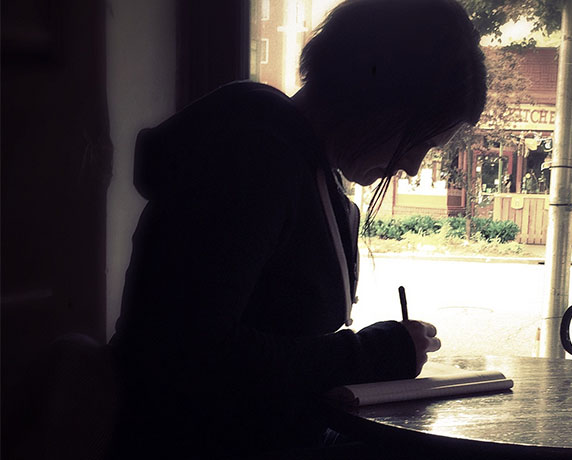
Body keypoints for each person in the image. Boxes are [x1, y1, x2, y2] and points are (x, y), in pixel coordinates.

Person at [107, 0, 486, 458]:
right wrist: (371, 356)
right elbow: (185, 355)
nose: (411, 164)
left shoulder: (304, 165)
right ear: (373, 96)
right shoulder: (252, 161)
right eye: (418, 141)